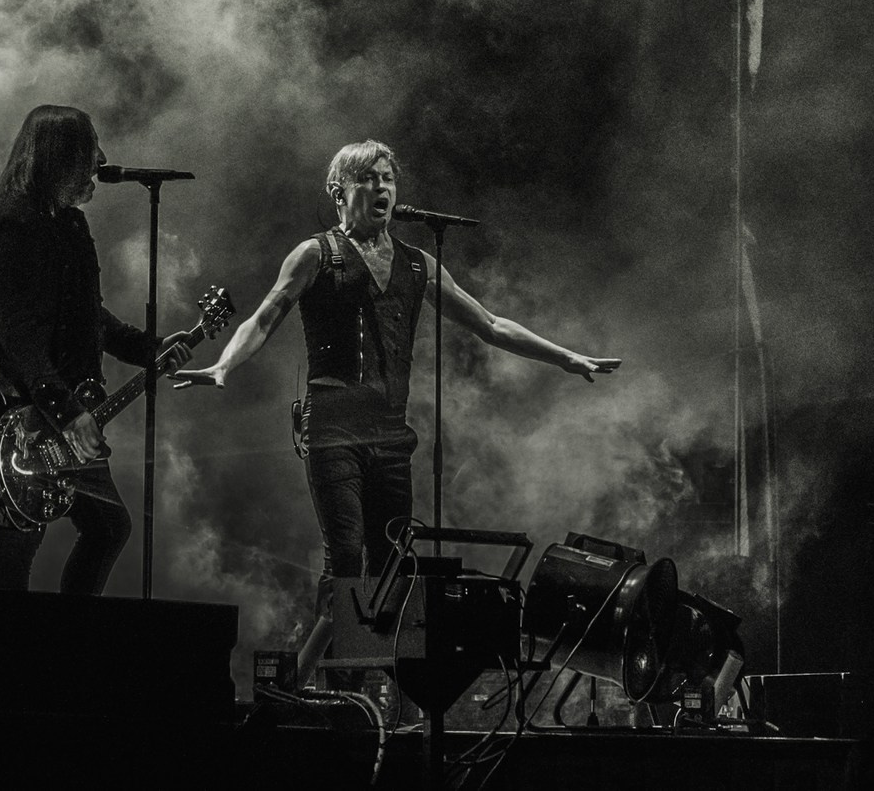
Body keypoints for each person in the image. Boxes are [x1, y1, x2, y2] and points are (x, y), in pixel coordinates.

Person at [171, 140, 618, 665]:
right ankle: (316, 682)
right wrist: (225, 364)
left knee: (389, 567)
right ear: (340, 194)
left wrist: (566, 358)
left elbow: (491, 324)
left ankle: (359, 684)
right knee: (346, 559)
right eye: (368, 180)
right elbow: (264, 317)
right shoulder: (316, 254)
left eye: (388, 179)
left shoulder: (417, 264)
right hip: (333, 430)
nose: (382, 189)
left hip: (389, 436)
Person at [0, 104, 159, 594]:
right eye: (88, 149)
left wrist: (148, 349)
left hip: (69, 406)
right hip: (22, 413)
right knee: (18, 533)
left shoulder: (72, 226)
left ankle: (66, 647)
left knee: (108, 527)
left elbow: (88, 317)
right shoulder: (8, 225)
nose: (100, 159)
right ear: (58, 158)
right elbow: (19, 337)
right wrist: (68, 411)